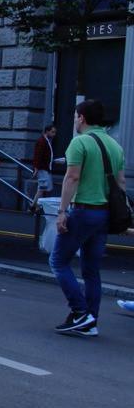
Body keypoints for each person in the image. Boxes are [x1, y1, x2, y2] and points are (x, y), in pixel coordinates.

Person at [50, 99, 126, 337]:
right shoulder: (115, 145)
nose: (74, 120)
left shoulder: (79, 142)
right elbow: (121, 183)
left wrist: (62, 211)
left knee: (58, 261)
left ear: (81, 118)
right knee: (91, 270)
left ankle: (81, 313)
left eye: (74, 116)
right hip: (105, 213)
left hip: (83, 210)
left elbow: (72, 178)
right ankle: (90, 321)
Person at [29, 123, 63, 212]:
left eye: (55, 133)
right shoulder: (42, 141)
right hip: (43, 168)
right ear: (47, 131)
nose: (54, 134)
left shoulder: (45, 140)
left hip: (45, 168)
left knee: (43, 188)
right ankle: (34, 206)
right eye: (52, 132)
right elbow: (38, 155)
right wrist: (36, 168)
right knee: (43, 188)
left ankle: (36, 206)